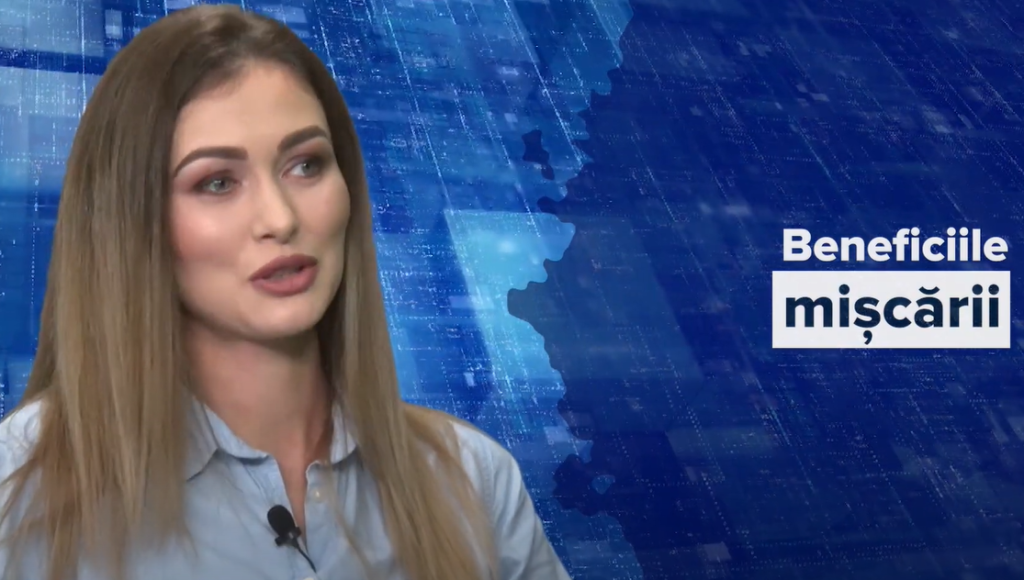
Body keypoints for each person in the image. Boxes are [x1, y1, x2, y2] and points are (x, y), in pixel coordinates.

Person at [0, 5, 571, 580]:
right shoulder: (21, 488)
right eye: (216, 182)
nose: (280, 218)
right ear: (129, 221)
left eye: (306, 165)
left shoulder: (473, 477)